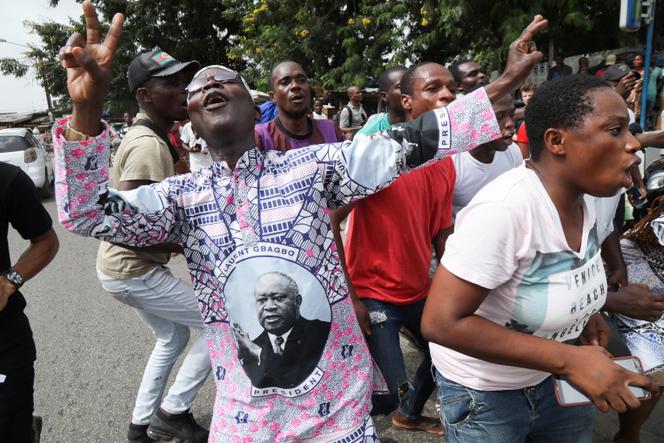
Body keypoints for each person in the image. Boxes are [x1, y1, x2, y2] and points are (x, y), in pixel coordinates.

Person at [53, 3, 546, 440]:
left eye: (226, 81)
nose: (211, 85)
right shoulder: (180, 198)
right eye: (200, 88)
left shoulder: (315, 168)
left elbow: (419, 139)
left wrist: (506, 81)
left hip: (336, 416)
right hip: (242, 421)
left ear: (253, 109)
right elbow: (88, 213)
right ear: (193, 124)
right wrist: (86, 105)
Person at [422, 75, 658, 443]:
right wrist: (568, 359)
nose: (633, 145)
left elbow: (564, 273)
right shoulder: (503, 211)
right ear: (556, 141)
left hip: (559, 383)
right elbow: (441, 323)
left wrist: (585, 314)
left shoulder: (588, 202)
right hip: (487, 398)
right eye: (615, 130)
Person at [331, 61, 458, 436]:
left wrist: (453, 292)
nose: (447, 95)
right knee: (385, 395)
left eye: (450, 88)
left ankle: (411, 413)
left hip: (419, 291)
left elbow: (441, 236)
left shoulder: (446, 162)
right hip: (373, 296)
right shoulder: (376, 154)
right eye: (433, 88)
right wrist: (350, 298)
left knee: (451, 353)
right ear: (406, 101)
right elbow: (330, 220)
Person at [94, 47, 211, 443]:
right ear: (145, 95)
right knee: (224, 323)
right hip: (134, 271)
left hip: (121, 269)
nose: (183, 91)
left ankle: (139, 426)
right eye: (172, 84)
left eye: (183, 82)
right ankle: (172, 414)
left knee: (173, 336)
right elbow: (126, 216)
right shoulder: (148, 145)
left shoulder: (153, 136)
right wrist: (192, 238)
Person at [0, 162, 59, 443]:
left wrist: (11, 279)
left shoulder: (7, 177)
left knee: (11, 427)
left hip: (4, 341)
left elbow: (45, 240)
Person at [232, 272, 330, 389]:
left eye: (278, 298)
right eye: (262, 300)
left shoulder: (323, 332)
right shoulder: (250, 349)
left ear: (297, 301)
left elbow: (293, 376)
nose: (269, 306)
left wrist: (259, 353)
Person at [452, 93, 522, 219]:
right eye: (499, 117)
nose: (510, 124)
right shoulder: (452, 162)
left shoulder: (513, 151)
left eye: (512, 115)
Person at [254, 61, 344, 151]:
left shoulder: (331, 130)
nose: (296, 86)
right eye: (285, 82)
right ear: (273, 96)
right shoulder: (260, 137)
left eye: (302, 80)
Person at [357, 66, 407, 135]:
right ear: (384, 96)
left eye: (412, 85)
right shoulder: (367, 137)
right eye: (401, 87)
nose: (410, 90)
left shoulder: (424, 128)